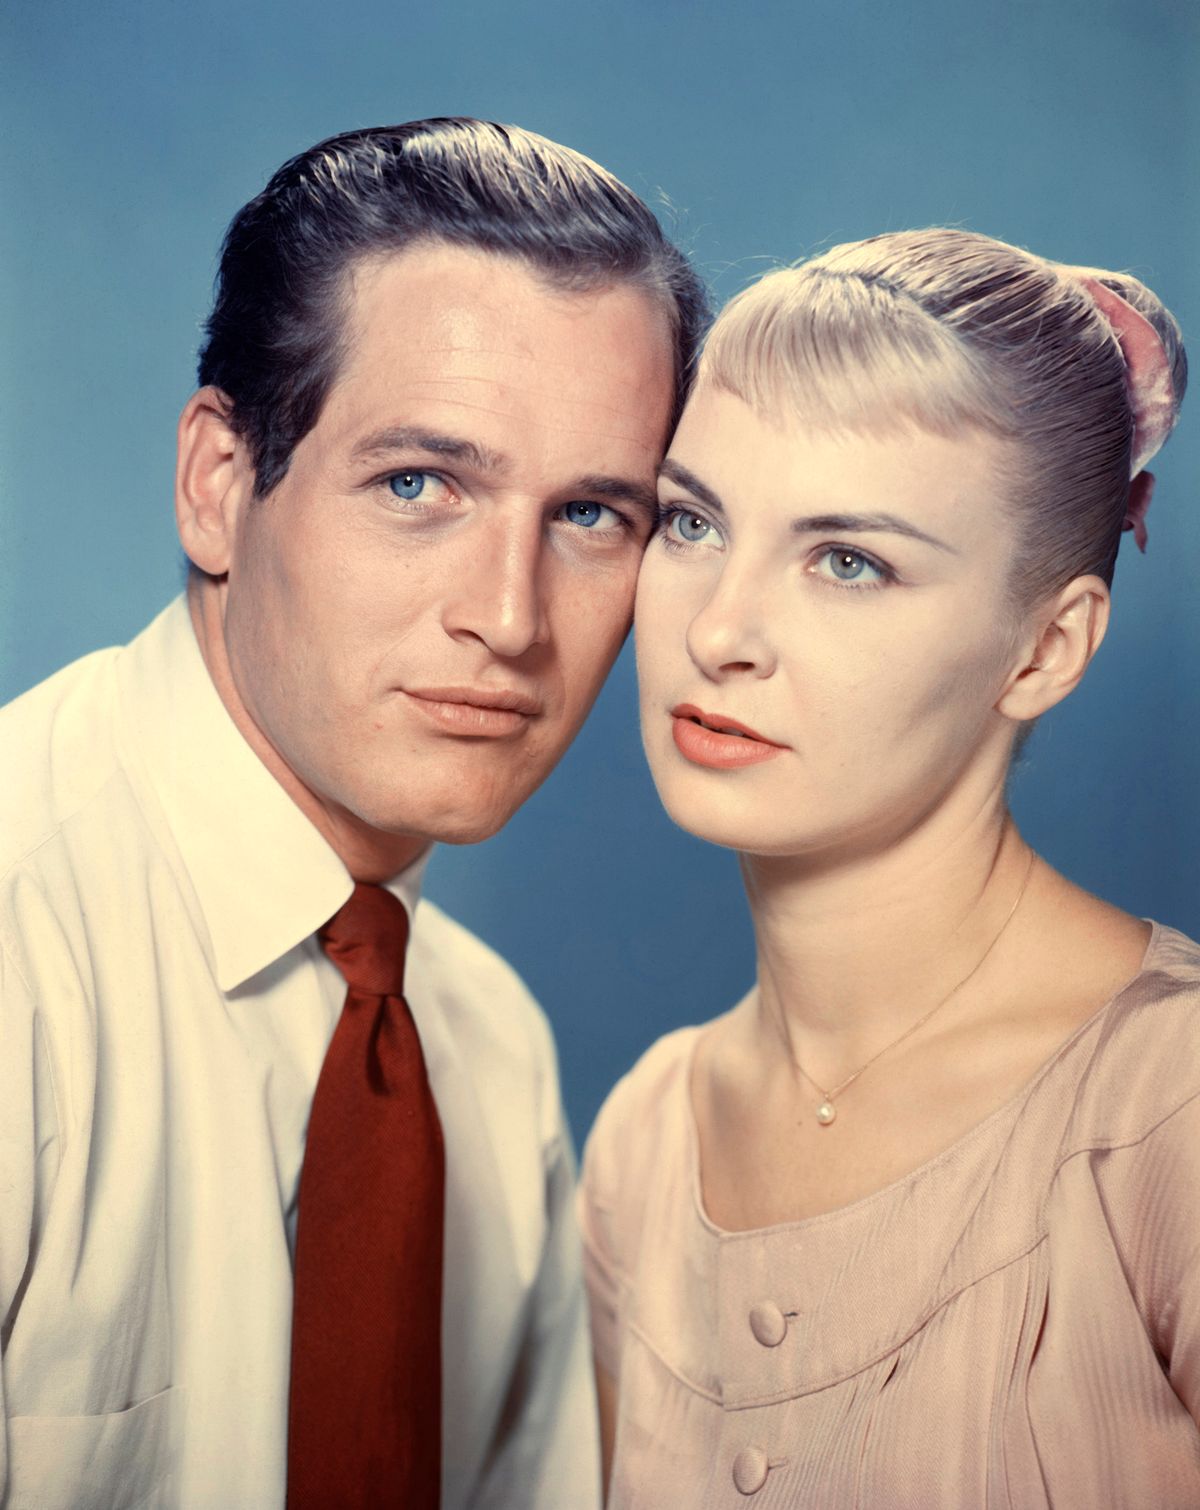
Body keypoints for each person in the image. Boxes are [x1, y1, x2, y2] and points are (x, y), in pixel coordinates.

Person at [0, 118, 707, 1510]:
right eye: (417, 484)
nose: (508, 618)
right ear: (219, 485)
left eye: (591, 517)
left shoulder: (489, 1055)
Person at [579, 228, 1198, 1507]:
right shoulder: (645, 1139)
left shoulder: (1169, 1113)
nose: (720, 628)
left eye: (847, 560)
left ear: (1045, 649)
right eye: (691, 521)